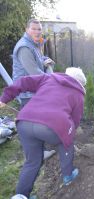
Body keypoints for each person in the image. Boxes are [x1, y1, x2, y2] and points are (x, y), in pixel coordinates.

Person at [0, 67, 86, 199]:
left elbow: (24, 81)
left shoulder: (49, 78)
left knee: (32, 161)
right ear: (80, 83)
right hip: (51, 126)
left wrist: (5, 98)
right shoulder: (78, 93)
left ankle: (21, 195)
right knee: (67, 139)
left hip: (24, 121)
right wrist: (68, 133)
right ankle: (68, 175)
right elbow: (75, 120)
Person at [12, 18, 55, 107]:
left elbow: (38, 59)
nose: (37, 32)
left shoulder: (34, 44)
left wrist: (46, 60)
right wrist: (52, 81)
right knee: (32, 120)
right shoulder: (24, 47)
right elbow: (35, 73)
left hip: (34, 92)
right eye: (33, 29)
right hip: (28, 94)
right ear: (27, 30)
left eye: (39, 29)